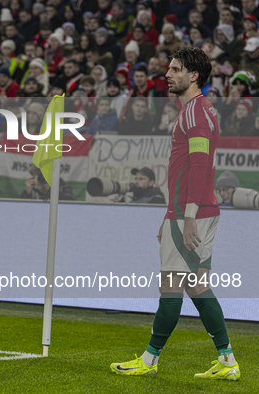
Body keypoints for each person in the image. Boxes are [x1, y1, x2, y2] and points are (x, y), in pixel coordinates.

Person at [111, 47, 240, 380]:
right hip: (189, 209)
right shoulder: (201, 110)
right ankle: (227, 361)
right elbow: (190, 169)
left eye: (175, 69)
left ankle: (149, 360)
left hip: (191, 211)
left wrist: (187, 216)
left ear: (193, 75)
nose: (167, 74)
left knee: (170, 285)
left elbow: (198, 167)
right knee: (197, 286)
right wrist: (171, 215)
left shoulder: (195, 112)